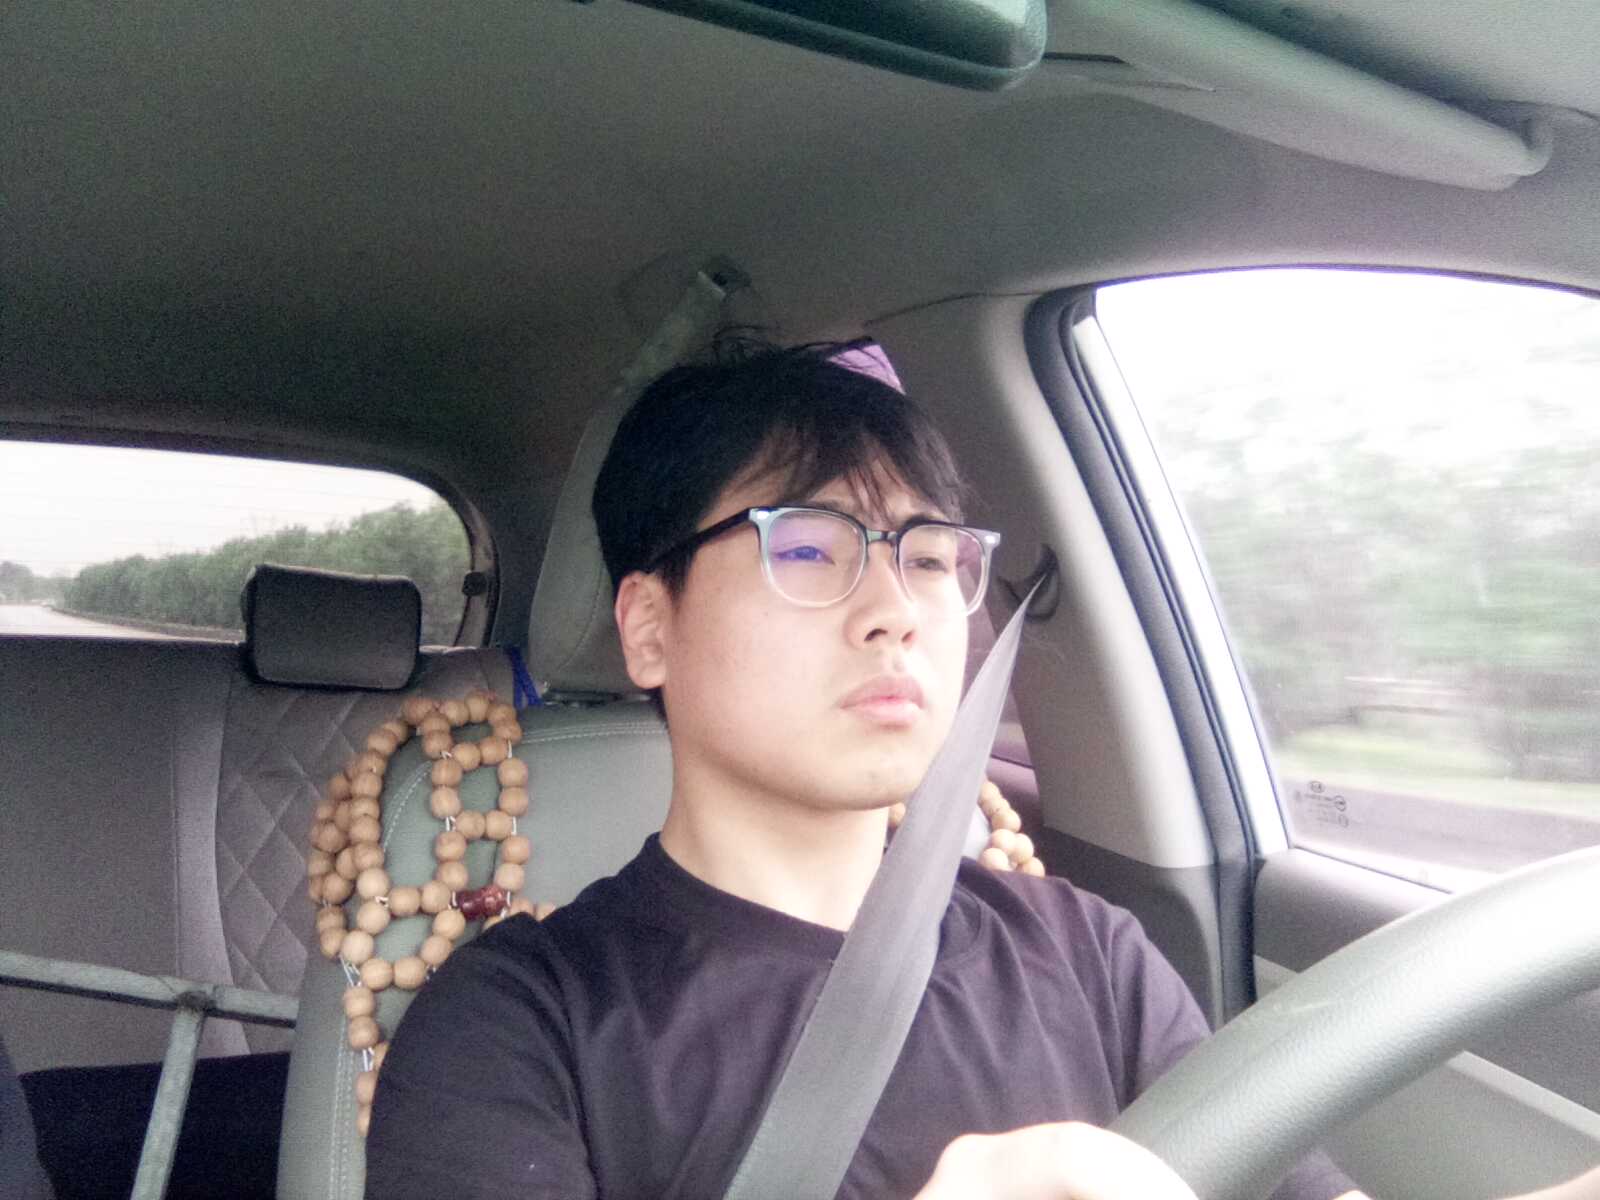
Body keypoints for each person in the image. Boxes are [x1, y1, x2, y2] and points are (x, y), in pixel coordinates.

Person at [366, 342, 1599, 1200]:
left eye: (928, 556)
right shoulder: (516, 1023)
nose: (895, 610)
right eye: (811, 548)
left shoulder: (1087, 953)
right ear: (648, 627)